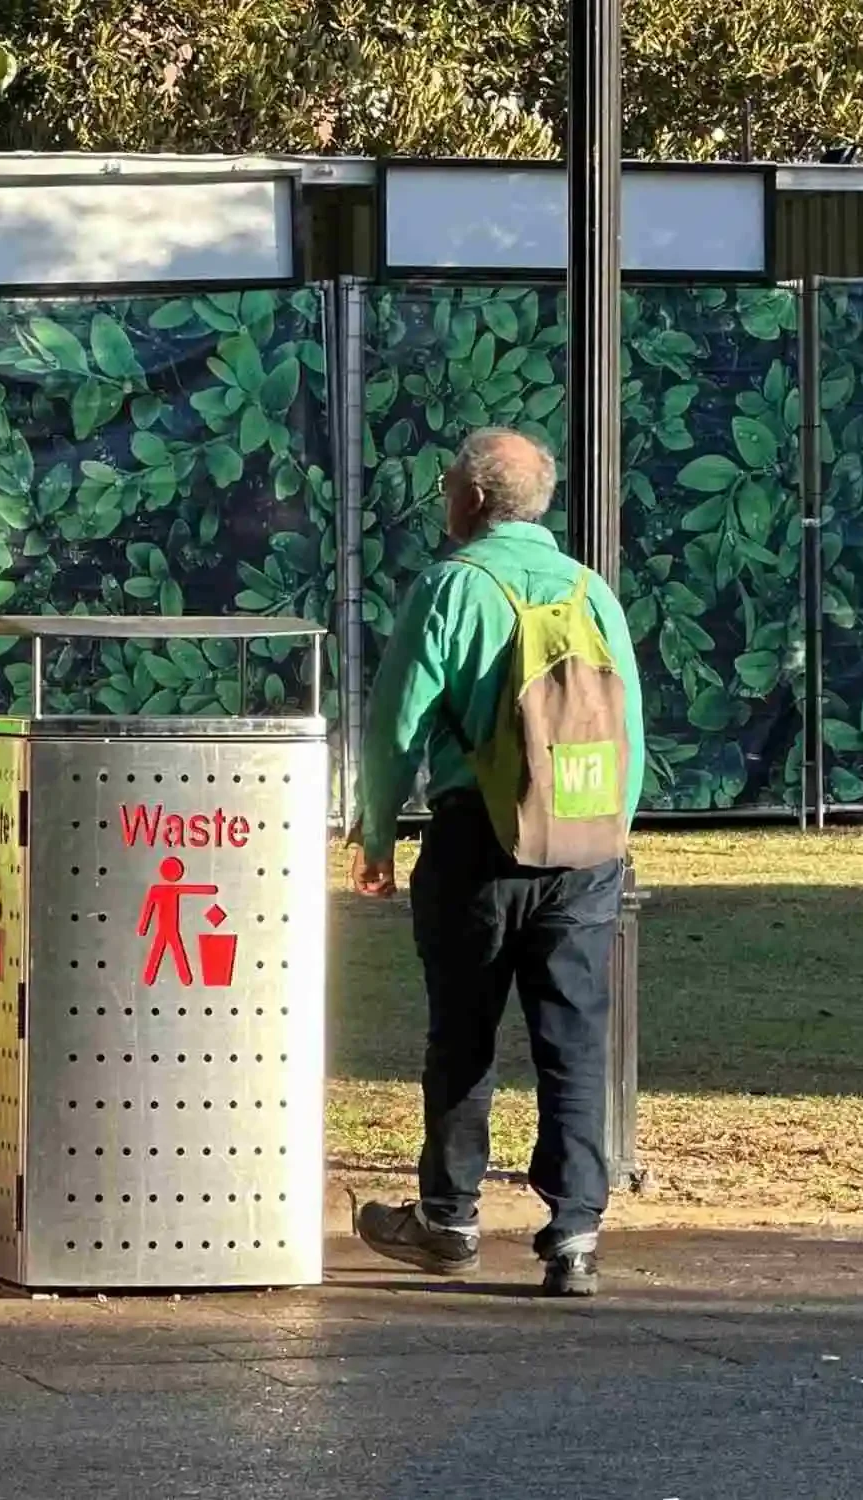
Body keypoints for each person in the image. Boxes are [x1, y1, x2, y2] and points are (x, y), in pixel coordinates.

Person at [349, 428, 644, 1298]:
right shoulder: (594, 592)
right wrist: (606, 838)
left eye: (448, 487)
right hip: (585, 849)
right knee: (573, 1037)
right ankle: (576, 1235)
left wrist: (374, 835)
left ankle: (448, 1220)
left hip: (479, 839)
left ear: (472, 501)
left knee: (463, 1033)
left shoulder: (451, 586)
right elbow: (627, 735)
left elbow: (396, 725)